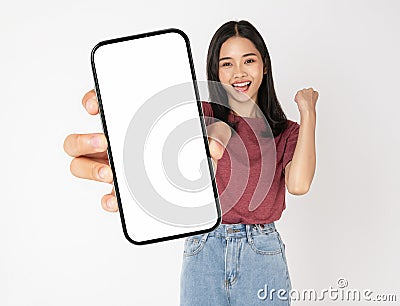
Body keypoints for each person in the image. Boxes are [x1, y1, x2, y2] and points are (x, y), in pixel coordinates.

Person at [64, 20, 318, 306]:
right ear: (215, 71)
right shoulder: (202, 114)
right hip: (205, 247)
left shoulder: (286, 131)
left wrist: (308, 111)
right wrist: (126, 135)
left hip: (261, 251)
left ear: (264, 65)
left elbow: (298, 184)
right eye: (227, 64)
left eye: (248, 60)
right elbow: (157, 136)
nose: (239, 73)